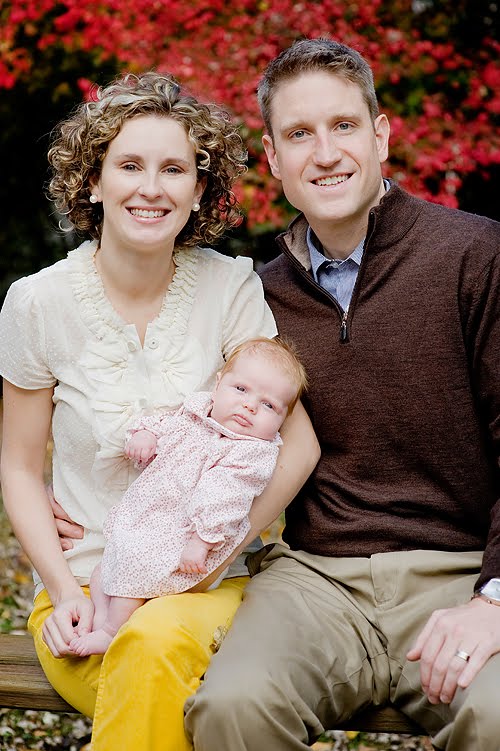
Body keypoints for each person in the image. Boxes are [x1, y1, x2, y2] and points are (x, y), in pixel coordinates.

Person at [184, 38, 500, 751]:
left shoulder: (476, 255)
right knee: (232, 706)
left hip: (463, 573)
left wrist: (494, 600)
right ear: (273, 158)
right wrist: (83, 508)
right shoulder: (257, 295)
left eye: (344, 126)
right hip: (315, 581)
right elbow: (196, 424)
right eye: (300, 134)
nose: (325, 153)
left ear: (381, 135)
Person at [0, 71, 320, 751]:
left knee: (154, 646)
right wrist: (65, 590)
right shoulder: (36, 303)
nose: (152, 187)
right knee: (152, 668)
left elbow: (300, 445)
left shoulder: (230, 288)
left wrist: (208, 555)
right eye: (130, 165)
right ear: (93, 180)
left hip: (209, 592)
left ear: (198, 189)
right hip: (88, 591)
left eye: (174, 169)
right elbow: (20, 467)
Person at [69, 336, 307, 656]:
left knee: (132, 572)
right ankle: (102, 617)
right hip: (152, 517)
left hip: (187, 536)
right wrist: (147, 435)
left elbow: (226, 497)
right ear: (219, 383)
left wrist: (202, 540)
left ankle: (112, 631)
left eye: (269, 405)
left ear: (282, 420)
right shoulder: (197, 412)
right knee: (104, 571)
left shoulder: (251, 453)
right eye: (241, 389)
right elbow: (168, 425)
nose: (250, 405)